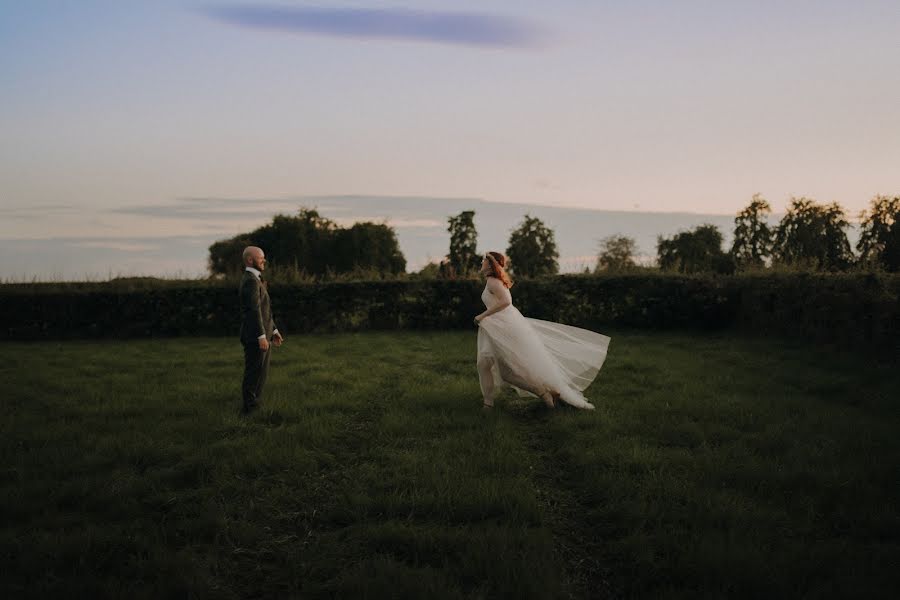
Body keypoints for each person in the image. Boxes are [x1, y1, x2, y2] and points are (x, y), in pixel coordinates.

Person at [474, 252, 610, 410]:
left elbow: (506, 302)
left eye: (484, 260)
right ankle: (494, 402)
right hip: (497, 326)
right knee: (491, 366)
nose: (482, 262)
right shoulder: (491, 281)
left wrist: (483, 315)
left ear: (491, 264)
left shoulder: (493, 282)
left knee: (501, 370)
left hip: (504, 328)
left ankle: (541, 393)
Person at [239, 246, 284, 414]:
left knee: (261, 374)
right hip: (255, 336)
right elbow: (253, 310)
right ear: (250, 260)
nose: (264, 260)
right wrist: (261, 336)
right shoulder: (250, 280)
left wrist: (273, 331)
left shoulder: (256, 278)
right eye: (261, 258)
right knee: (254, 374)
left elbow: (265, 309)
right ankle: (249, 410)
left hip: (264, 334)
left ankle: (255, 406)